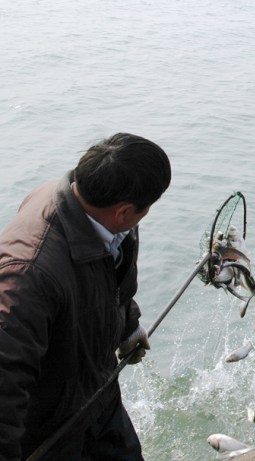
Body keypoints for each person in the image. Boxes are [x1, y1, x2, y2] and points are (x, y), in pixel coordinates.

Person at [0, 133, 172, 460]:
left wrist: (127, 325)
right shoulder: (27, 277)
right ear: (124, 211)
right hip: (48, 432)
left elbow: (112, 270)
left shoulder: (99, 210)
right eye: (147, 208)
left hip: (96, 396)